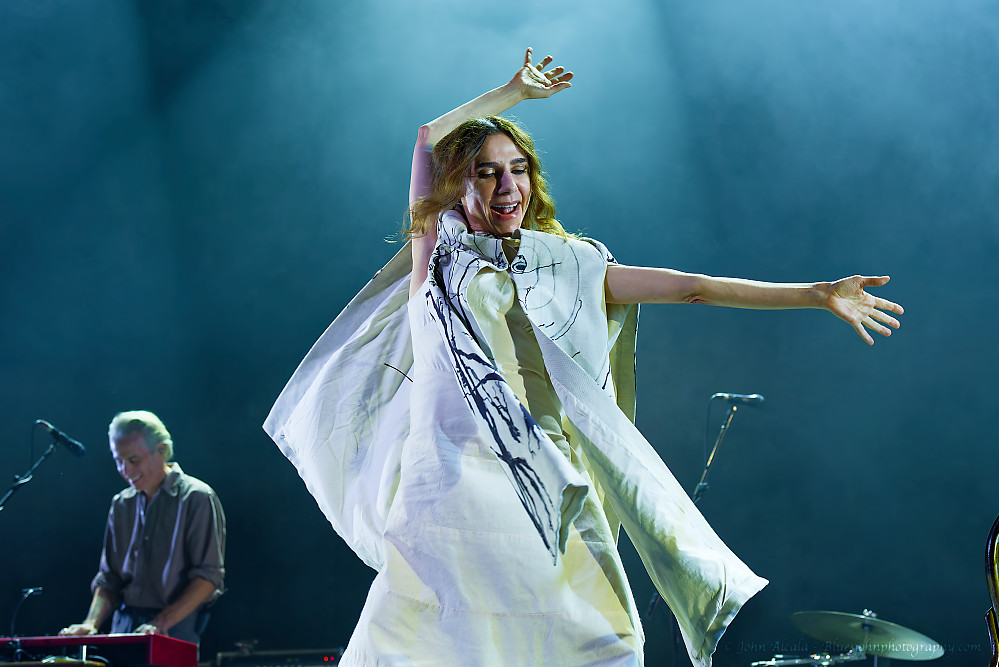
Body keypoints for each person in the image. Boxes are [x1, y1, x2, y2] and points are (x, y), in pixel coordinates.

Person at [264, 48, 902, 667]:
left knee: (605, 642)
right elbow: (428, 139)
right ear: (457, 186)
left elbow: (693, 287)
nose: (508, 185)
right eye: (486, 172)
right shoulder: (434, 258)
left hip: (547, 482)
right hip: (447, 489)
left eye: (518, 169)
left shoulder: (567, 266)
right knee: (427, 645)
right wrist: (513, 94)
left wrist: (816, 293)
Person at [60, 411, 226, 647]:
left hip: (174, 633)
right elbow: (109, 579)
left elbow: (208, 578)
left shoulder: (197, 497)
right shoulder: (121, 504)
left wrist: (159, 624)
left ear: (161, 450)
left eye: (133, 460)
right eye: (118, 461)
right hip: (123, 629)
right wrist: (91, 623)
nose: (125, 470)